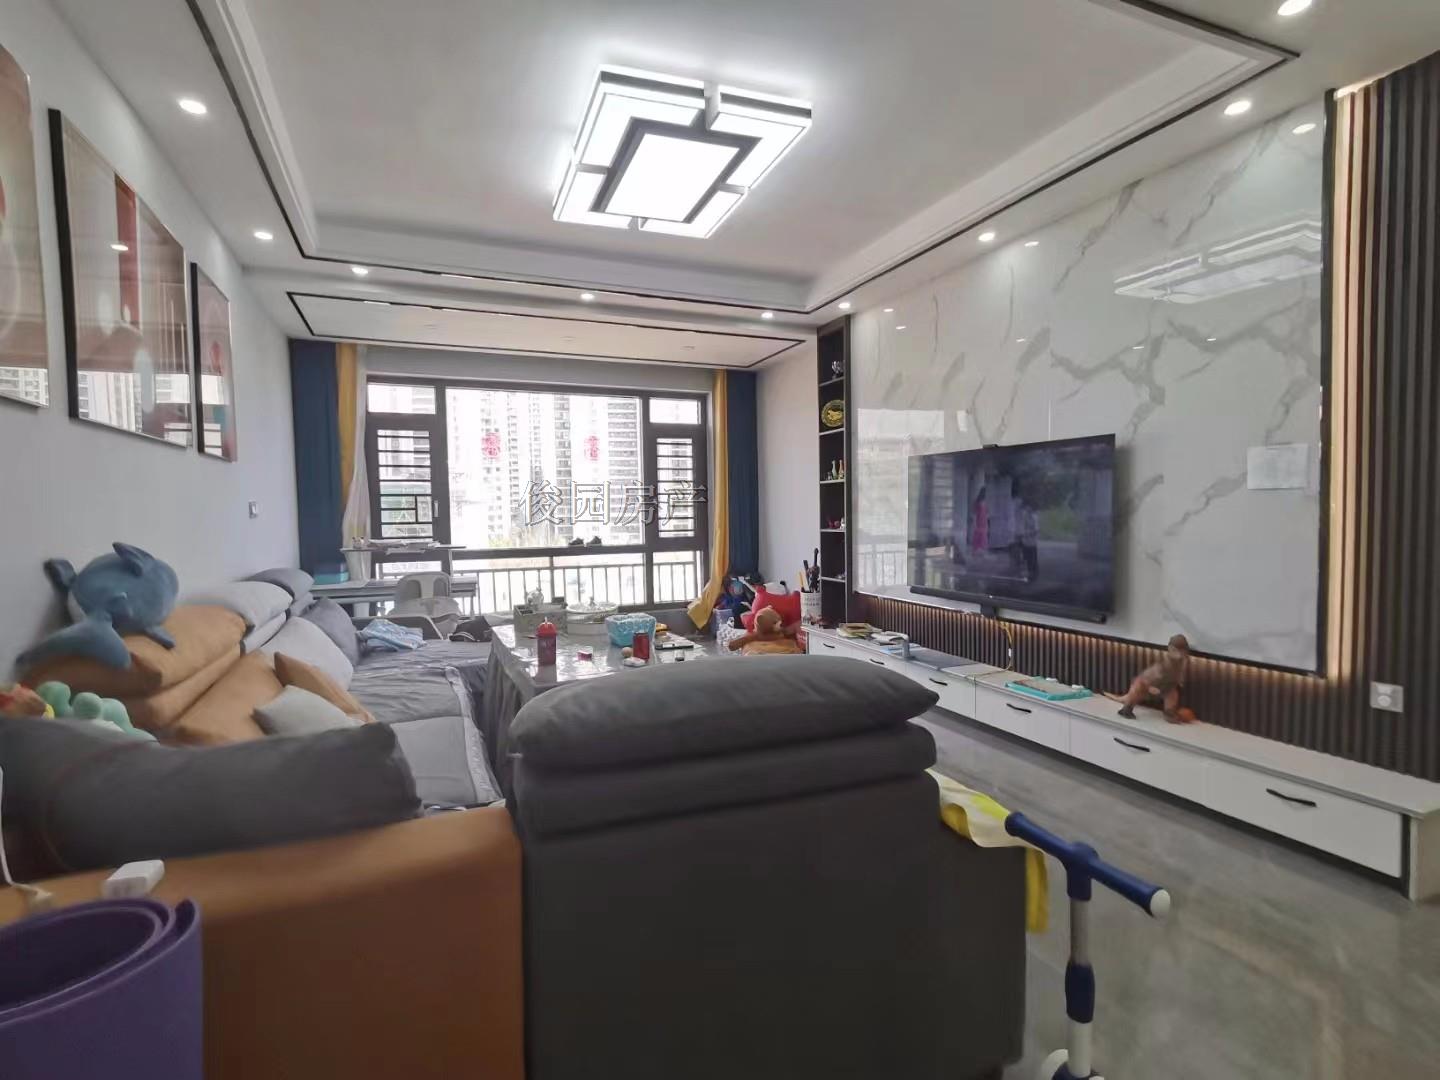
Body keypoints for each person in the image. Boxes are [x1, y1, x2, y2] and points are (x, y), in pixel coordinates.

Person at [1117, 634, 1191, 721]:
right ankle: (1126, 709)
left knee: (1172, 693)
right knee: (1137, 687)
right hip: (1147, 684)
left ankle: (1169, 713)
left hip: (1164, 686)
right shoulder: (1164, 664)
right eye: (1176, 650)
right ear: (1170, 649)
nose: (1180, 654)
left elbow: (1179, 674)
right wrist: (1149, 687)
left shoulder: (1182, 661)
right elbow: (1149, 677)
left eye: (1182, 651)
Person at [970, 486, 989, 552]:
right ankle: (975, 550)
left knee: (983, 537)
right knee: (977, 536)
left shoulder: (986, 502)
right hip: (978, 521)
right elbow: (974, 513)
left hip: (984, 522)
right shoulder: (977, 502)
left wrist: (987, 523)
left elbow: (987, 514)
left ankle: (981, 550)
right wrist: (974, 523)